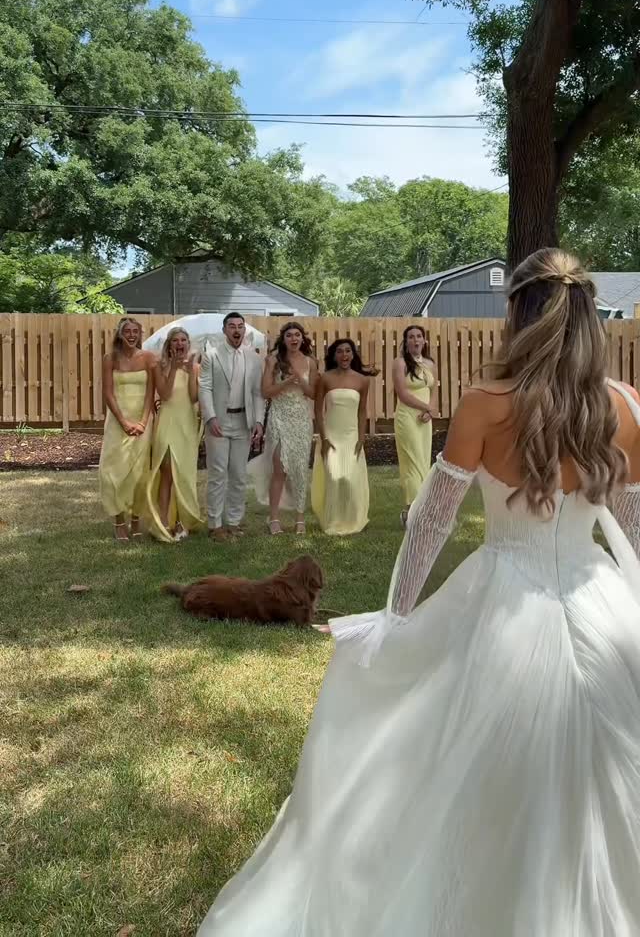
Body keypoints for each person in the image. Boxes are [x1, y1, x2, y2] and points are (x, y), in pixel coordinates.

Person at [196, 249, 640, 937]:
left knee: (478, 758)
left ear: (518, 314)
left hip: (505, 600)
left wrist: (396, 616)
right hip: (603, 603)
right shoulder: (625, 405)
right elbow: (634, 526)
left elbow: (431, 521)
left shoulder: (487, 404)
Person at [198, 313, 265, 541]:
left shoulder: (253, 358)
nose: (237, 330)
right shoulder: (211, 355)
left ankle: (234, 522)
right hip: (218, 422)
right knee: (217, 473)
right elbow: (205, 388)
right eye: (232, 326)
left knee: (238, 474)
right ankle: (215, 524)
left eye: (240, 326)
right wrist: (210, 417)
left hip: (243, 422)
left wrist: (258, 421)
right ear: (224, 330)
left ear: (244, 330)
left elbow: (257, 392)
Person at [250, 321, 317, 535]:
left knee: (299, 469)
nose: (294, 339)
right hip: (279, 417)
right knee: (279, 467)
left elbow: (313, 393)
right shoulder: (273, 360)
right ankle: (274, 518)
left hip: (301, 419)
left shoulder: (310, 362)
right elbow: (266, 392)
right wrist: (287, 382)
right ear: (284, 339)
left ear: (302, 338)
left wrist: (299, 380)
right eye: (289, 335)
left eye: (297, 335)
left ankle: (300, 518)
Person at [99, 317, 154, 542]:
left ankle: (136, 520)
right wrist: (123, 421)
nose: (132, 335)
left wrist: (143, 422)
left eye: (135, 331)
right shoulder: (110, 358)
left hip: (143, 422)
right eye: (127, 331)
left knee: (140, 474)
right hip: (117, 420)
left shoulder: (148, 358)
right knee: (113, 472)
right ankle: (119, 521)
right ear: (120, 334)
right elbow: (108, 393)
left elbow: (151, 393)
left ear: (140, 334)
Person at [146, 327, 204, 543]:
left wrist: (190, 371)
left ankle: (181, 521)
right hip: (167, 423)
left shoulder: (195, 367)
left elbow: (193, 397)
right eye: (175, 340)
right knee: (167, 473)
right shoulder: (159, 366)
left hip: (187, 424)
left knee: (184, 474)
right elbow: (165, 394)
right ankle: (162, 521)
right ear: (169, 345)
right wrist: (173, 368)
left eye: (183, 340)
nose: (180, 344)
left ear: (188, 344)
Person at [311, 338, 372, 535]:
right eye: (339, 351)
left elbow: (362, 411)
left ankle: (353, 519)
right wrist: (324, 439)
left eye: (348, 351)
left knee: (351, 479)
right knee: (335, 477)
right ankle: (334, 520)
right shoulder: (325, 378)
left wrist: (361, 438)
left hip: (352, 435)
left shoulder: (363, 380)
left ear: (353, 355)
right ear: (334, 356)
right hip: (331, 435)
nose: (344, 355)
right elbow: (318, 410)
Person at [393, 325, 438, 527]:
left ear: (424, 340)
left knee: (423, 462)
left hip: (425, 420)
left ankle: (417, 511)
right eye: (411, 337)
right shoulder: (400, 363)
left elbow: (434, 390)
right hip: (408, 418)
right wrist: (426, 407)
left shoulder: (430, 364)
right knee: (411, 462)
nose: (416, 340)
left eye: (419, 336)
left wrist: (430, 411)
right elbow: (403, 394)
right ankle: (412, 511)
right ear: (406, 342)